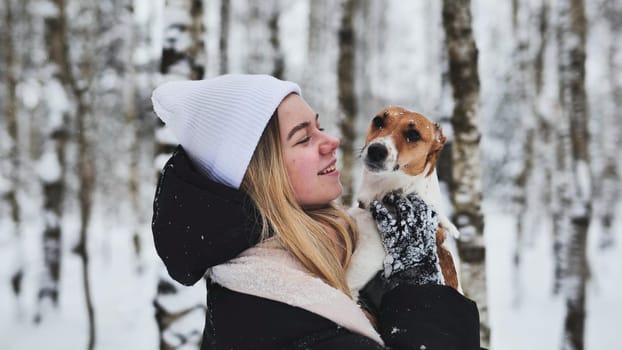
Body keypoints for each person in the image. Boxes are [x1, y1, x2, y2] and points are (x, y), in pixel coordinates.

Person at [151, 74, 482, 350]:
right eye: (304, 138)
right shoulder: (266, 312)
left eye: (320, 127)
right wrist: (419, 285)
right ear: (261, 173)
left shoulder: (319, 248)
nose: (333, 141)